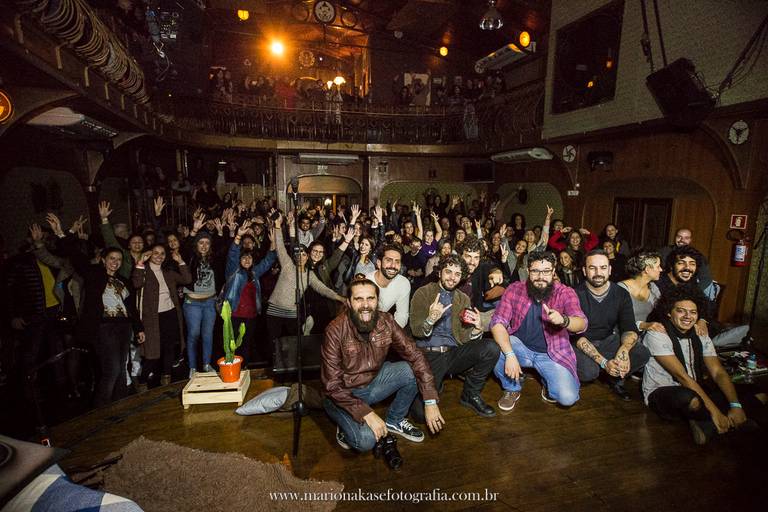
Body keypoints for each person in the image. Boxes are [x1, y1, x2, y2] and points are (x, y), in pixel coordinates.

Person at [322, 277, 444, 452]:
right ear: (349, 302)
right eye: (359, 299)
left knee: (411, 369)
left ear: (377, 301)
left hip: (373, 383)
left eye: (370, 298)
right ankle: (345, 423)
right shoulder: (334, 330)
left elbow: (416, 355)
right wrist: (366, 413)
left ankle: (394, 420)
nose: (365, 305)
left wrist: (430, 400)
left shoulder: (386, 321)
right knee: (366, 441)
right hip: (342, 395)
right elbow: (332, 385)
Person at [642, 286, 765, 444]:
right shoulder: (657, 333)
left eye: (693, 312)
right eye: (681, 311)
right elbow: (682, 377)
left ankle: (709, 425)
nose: (688, 316)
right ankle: (725, 421)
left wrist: (735, 405)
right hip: (663, 391)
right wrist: (715, 412)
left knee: (759, 393)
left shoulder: (699, 333)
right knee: (690, 399)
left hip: (697, 386)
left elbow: (717, 372)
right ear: (668, 312)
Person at [490, 251, 587, 411]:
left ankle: (547, 380)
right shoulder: (515, 289)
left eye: (546, 271)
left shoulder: (565, 293)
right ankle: (512, 388)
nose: (541, 276)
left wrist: (564, 320)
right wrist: (509, 354)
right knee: (494, 348)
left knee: (568, 398)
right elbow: (498, 322)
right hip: (520, 347)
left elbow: (581, 322)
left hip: (552, 353)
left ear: (553, 271)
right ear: (528, 271)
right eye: (535, 271)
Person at [409, 254, 499, 418]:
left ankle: (470, 394)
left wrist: (477, 329)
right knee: (420, 414)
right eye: (448, 272)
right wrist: (430, 320)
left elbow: (463, 337)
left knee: (491, 348)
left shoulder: (463, 298)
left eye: (457, 274)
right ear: (439, 273)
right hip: (429, 354)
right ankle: (437, 380)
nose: (452, 278)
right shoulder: (423, 293)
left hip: (452, 353)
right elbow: (416, 330)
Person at [572, 250, 650, 400]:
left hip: (608, 341)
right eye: (592, 268)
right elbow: (576, 336)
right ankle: (605, 369)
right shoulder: (575, 294)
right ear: (584, 270)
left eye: (602, 267)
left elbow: (629, 327)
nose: (598, 272)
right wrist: (603, 362)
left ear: (609, 269)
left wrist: (624, 351)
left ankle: (614, 377)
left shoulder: (620, 293)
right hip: (582, 343)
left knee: (642, 353)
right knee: (589, 372)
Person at [132, 243, 191, 388]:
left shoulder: (168, 272)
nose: (159, 256)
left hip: (170, 315)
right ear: (149, 254)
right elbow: (136, 284)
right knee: (153, 354)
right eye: (156, 253)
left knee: (169, 348)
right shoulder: (143, 270)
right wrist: (140, 263)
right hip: (152, 318)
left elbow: (187, 280)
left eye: (162, 253)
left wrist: (180, 262)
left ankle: (166, 378)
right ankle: (143, 381)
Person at [221, 220, 277, 366]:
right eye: (244, 258)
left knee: (246, 344)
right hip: (234, 315)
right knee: (232, 345)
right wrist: (238, 237)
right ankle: (232, 368)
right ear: (239, 260)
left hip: (250, 316)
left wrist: (273, 244)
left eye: (249, 258)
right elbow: (232, 254)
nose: (247, 260)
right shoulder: (233, 271)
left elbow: (268, 260)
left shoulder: (254, 272)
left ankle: (243, 368)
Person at [365, 243, 410, 328]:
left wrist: (390, 334)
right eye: (388, 260)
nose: (393, 266)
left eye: (397, 261)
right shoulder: (367, 282)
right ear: (379, 263)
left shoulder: (403, 283)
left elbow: (402, 316)